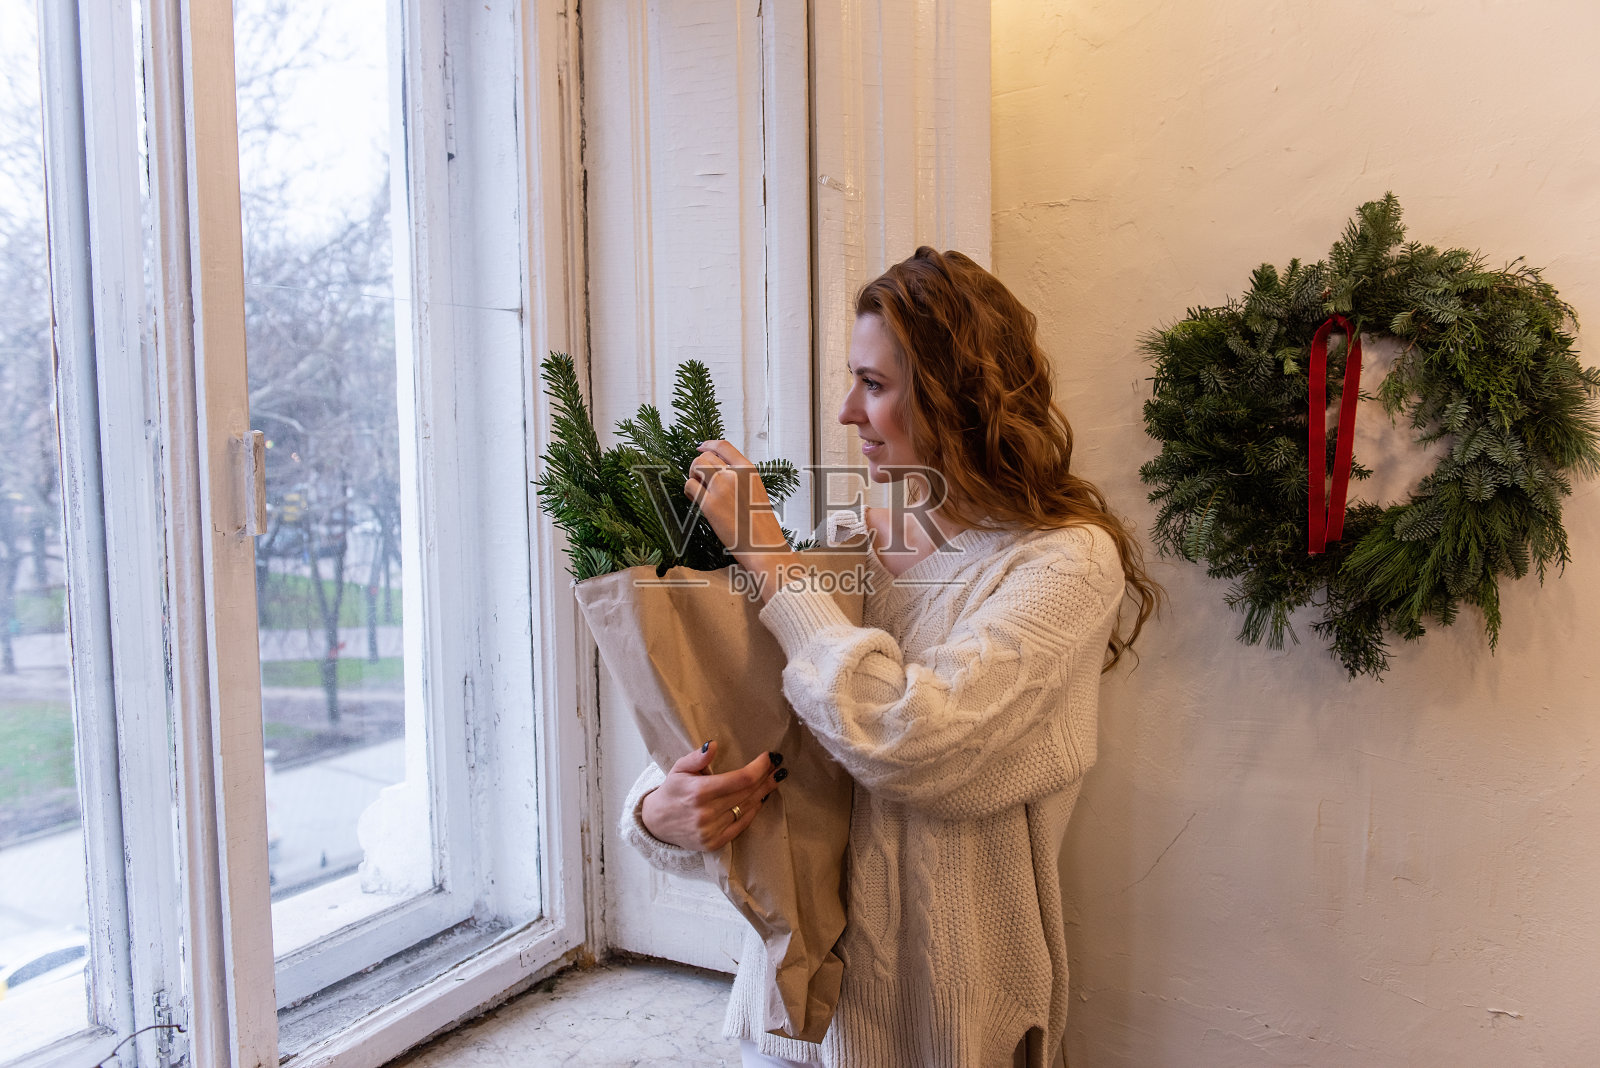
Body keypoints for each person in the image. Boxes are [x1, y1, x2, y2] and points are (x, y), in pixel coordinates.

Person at [619, 247, 1161, 1068]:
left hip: (951, 1031)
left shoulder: (1064, 565)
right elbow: (735, 717)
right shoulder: (846, 548)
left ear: (956, 397)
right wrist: (657, 810)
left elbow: (911, 741)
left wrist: (766, 555)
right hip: (792, 1027)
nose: (847, 412)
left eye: (873, 385)